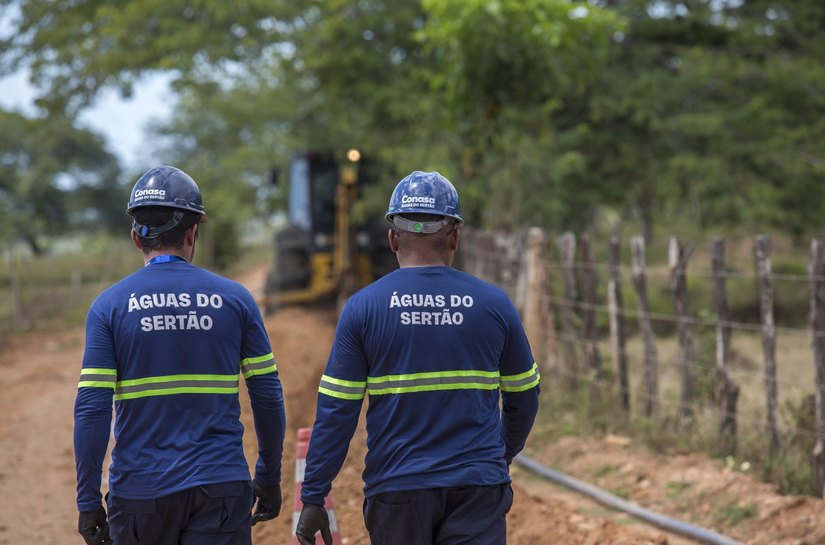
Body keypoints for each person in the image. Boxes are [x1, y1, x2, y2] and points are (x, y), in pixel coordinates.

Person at [295, 171, 541, 545]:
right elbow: (525, 396)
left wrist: (313, 494)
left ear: (393, 237)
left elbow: (337, 412)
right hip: (477, 488)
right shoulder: (494, 304)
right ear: (455, 236)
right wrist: (499, 455)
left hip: (397, 490)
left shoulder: (364, 308)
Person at [74, 166, 286, 545]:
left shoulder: (109, 307)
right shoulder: (236, 299)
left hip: (141, 494)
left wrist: (88, 499)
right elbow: (267, 395)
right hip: (220, 488)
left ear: (136, 238)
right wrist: (268, 476)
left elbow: (92, 408)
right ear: (192, 233)